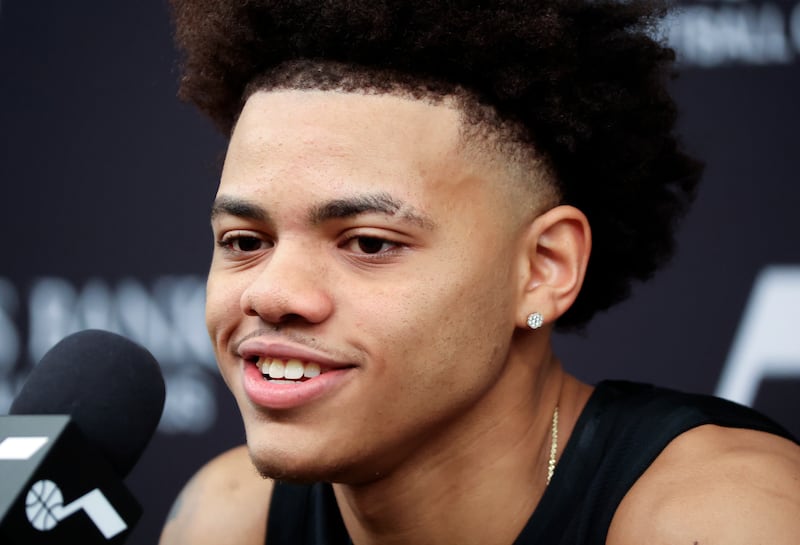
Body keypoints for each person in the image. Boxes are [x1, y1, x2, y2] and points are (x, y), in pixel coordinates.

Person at [159, 1, 800, 543]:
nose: (272, 293)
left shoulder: (724, 514)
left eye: (369, 244)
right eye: (244, 240)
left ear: (544, 268)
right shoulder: (228, 516)